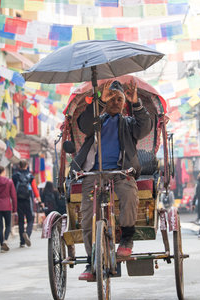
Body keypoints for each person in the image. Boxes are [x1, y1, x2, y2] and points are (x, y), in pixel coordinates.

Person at [72, 79, 152, 281]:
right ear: (105, 101)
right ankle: (92, 262)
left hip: (121, 172)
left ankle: (126, 239)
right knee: (87, 214)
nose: (115, 102)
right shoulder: (96, 121)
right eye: (111, 99)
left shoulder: (128, 123)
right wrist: (99, 100)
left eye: (119, 99)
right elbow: (84, 126)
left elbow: (144, 128)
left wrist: (136, 103)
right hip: (93, 173)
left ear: (124, 103)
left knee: (129, 192)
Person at [0, 166, 17, 253]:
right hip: (7, 206)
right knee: (8, 225)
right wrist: (15, 209)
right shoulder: (9, 182)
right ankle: (5, 240)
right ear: (4, 171)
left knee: (0, 226)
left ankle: (1, 245)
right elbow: (13, 196)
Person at [12, 160, 35, 248]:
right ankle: (27, 235)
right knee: (30, 219)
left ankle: (22, 242)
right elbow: (34, 188)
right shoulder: (30, 176)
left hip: (18, 200)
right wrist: (39, 199)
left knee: (21, 221)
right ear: (27, 165)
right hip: (28, 200)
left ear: (19, 166)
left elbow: (13, 189)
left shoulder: (15, 176)